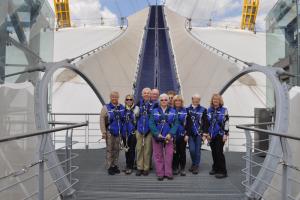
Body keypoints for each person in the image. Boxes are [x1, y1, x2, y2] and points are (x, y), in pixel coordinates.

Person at [149, 94, 179, 181]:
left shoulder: (173, 111)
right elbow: (151, 123)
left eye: (165, 100)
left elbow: (176, 123)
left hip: (168, 136)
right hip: (157, 136)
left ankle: (168, 173)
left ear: (168, 101)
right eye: (162, 100)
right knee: (158, 155)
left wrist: (171, 134)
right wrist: (156, 133)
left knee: (169, 155)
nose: (164, 101)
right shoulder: (154, 111)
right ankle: (160, 173)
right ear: (159, 101)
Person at [100, 91, 125, 175]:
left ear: (118, 97)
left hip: (118, 132)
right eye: (113, 97)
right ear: (110, 97)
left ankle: (115, 165)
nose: (114, 98)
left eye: (116, 96)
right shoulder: (106, 108)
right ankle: (109, 166)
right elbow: (102, 120)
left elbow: (124, 119)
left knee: (117, 149)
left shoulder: (121, 107)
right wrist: (103, 132)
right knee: (109, 150)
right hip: (109, 132)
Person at [205, 94, 229, 179]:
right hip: (211, 135)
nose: (215, 101)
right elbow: (206, 123)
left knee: (219, 152)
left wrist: (226, 134)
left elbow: (226, 122)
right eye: (214, 99)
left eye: (217, 99)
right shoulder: (209, 110)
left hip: (220, 134)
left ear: (220, 101)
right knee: (214, 152)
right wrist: (207, 134)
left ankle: (223, 171)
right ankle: (215, 167)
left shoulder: (224, 110)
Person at [186, 94, 208, 174]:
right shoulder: (187, 109)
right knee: (192, 150)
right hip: (190, 133)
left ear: (199, 100)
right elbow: (186, 123)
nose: (196, 101)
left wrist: (205, 134)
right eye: (195, 99)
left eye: (198, 99)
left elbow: (206, 122)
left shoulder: (203, 109)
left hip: (200, 133)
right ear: (192, 99)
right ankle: (194, 163)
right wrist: (186, 134)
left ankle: (196, 166)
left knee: (197, 150)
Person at [134, 88, 153, 176]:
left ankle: (146, 168)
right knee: (139, 149)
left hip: (149, 130)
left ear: (150, 94)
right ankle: (139, 167)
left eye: (148, 93)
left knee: (147, 149)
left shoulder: (154, 104)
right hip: (139, 129)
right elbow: (135, 115)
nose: (146, 94)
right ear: (142, 94)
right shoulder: (138, 103)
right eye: (144, 93)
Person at [172, 95, 188, 176]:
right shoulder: (170, 110)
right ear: (174, 102)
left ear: (181, 102)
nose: (178, 102)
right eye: (176, 101)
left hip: (182, 135)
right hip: (173, 135)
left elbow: (188, 124)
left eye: (179, 101)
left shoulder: (185, 111)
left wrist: (187, 134)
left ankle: (182, 168)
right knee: (175, 152)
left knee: (182, 152)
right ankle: (175, 167)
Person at [121, 94, 137, 175]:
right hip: (125, 132)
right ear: (125, 100)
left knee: (132, 150)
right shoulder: (122, 109)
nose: (129, 101)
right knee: (126, 149)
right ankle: (128, 164)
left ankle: (130, 166)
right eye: (127, 99)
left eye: (131, 99)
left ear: (133, 100)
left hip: (133, 132)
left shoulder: (136, 109)